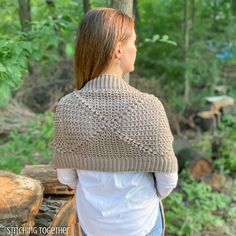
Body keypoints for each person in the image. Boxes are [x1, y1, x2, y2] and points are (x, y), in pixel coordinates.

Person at [51, 8, 178, 236]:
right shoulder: (149, 107)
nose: (136, 48)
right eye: (134, 42)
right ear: (119, 49)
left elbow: (66, 178)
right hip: (141, 224)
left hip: (93, 225)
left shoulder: (67, 107)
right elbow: (167, 182)